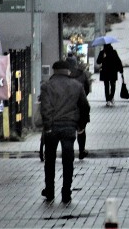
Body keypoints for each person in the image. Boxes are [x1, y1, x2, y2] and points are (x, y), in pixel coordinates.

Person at [40, 60, 90, 204]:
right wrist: (81, 125)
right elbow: (85, 107)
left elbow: (45, 108)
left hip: (52, 128)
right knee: (68, 161)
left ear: (54, 71)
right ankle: (66, 192)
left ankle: (49, 190)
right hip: (69, 126)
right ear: (68, 71)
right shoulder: (77, 86)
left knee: (49, 160)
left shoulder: (47, 86)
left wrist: (47, 125)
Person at [67, 53, 92, 159]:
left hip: (67, 106)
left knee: (68, 130)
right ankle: (81, 150)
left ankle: (69, 151)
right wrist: (83, 96)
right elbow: (87, 88)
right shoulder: (82, 74)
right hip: (80, 105)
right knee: (81, 129)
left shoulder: (65, 75)